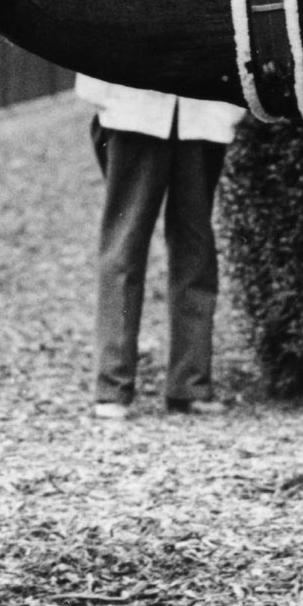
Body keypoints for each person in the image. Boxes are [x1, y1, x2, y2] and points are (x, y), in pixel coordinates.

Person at [78, 76, 246, 420]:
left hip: (203, 115)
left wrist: (230, 107)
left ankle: (191, 384)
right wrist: (104, 99)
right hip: (132, 111)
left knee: (196, 250)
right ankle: (112, 387)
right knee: (124, 248)